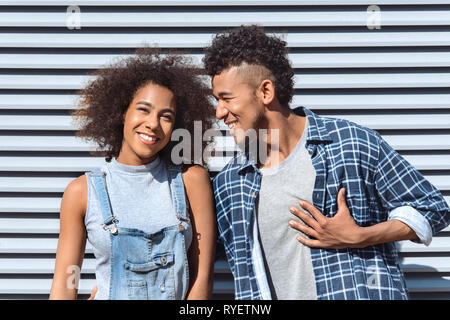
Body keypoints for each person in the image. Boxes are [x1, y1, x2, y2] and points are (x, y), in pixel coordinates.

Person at [204, 25, 450, 300]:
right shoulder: (230, 183)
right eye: (217, 100)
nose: (219, 112)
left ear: (265, 92)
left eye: (226, 98)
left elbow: (431, 208)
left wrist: (360, 236)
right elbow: (193, 251)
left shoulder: (351, 144)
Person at [50, 49, 217, 300]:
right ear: (122, 112)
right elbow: (65, 283)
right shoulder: (81, 192)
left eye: (166, 116)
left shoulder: (191, 180)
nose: (153, 123)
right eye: (143, 110)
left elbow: (201, 281)